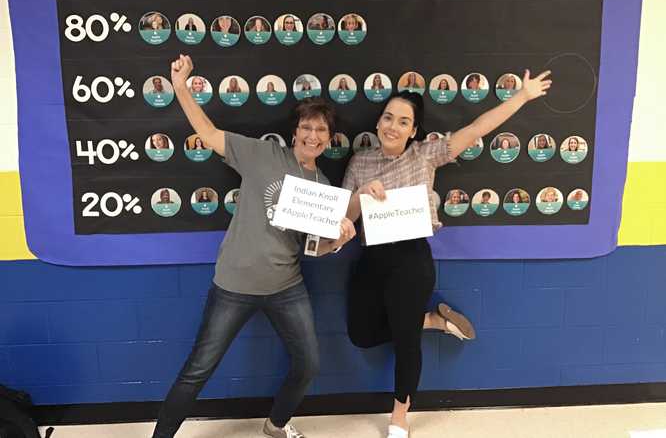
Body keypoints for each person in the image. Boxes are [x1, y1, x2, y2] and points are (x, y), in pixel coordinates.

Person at [151, 55, 356, 438]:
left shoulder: (325, 188)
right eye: (307, 127)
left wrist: (338, 241)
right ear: (295, 132)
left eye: (321, 131)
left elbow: (314, 249)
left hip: (285, 287)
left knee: (308, 364)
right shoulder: (261, 154)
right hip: (233, 285)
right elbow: (209, 134)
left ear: (330, 140)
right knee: (198, 369)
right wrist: (180, 86)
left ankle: (275, 425)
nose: (313, 136)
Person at [342, 69, 551, 438]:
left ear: (414, 131)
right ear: (379, 121)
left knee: (406, 343)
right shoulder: (359, 162)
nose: (393, 126)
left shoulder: (425, 155)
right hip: (372, 259)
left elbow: (476, 129)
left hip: (410, 260)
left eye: (404, 121)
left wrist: (521, 97)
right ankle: (433, 321)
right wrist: (360, 195)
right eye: (388, 117)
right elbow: (345, 218)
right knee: (361, 334)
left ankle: (399, 417)